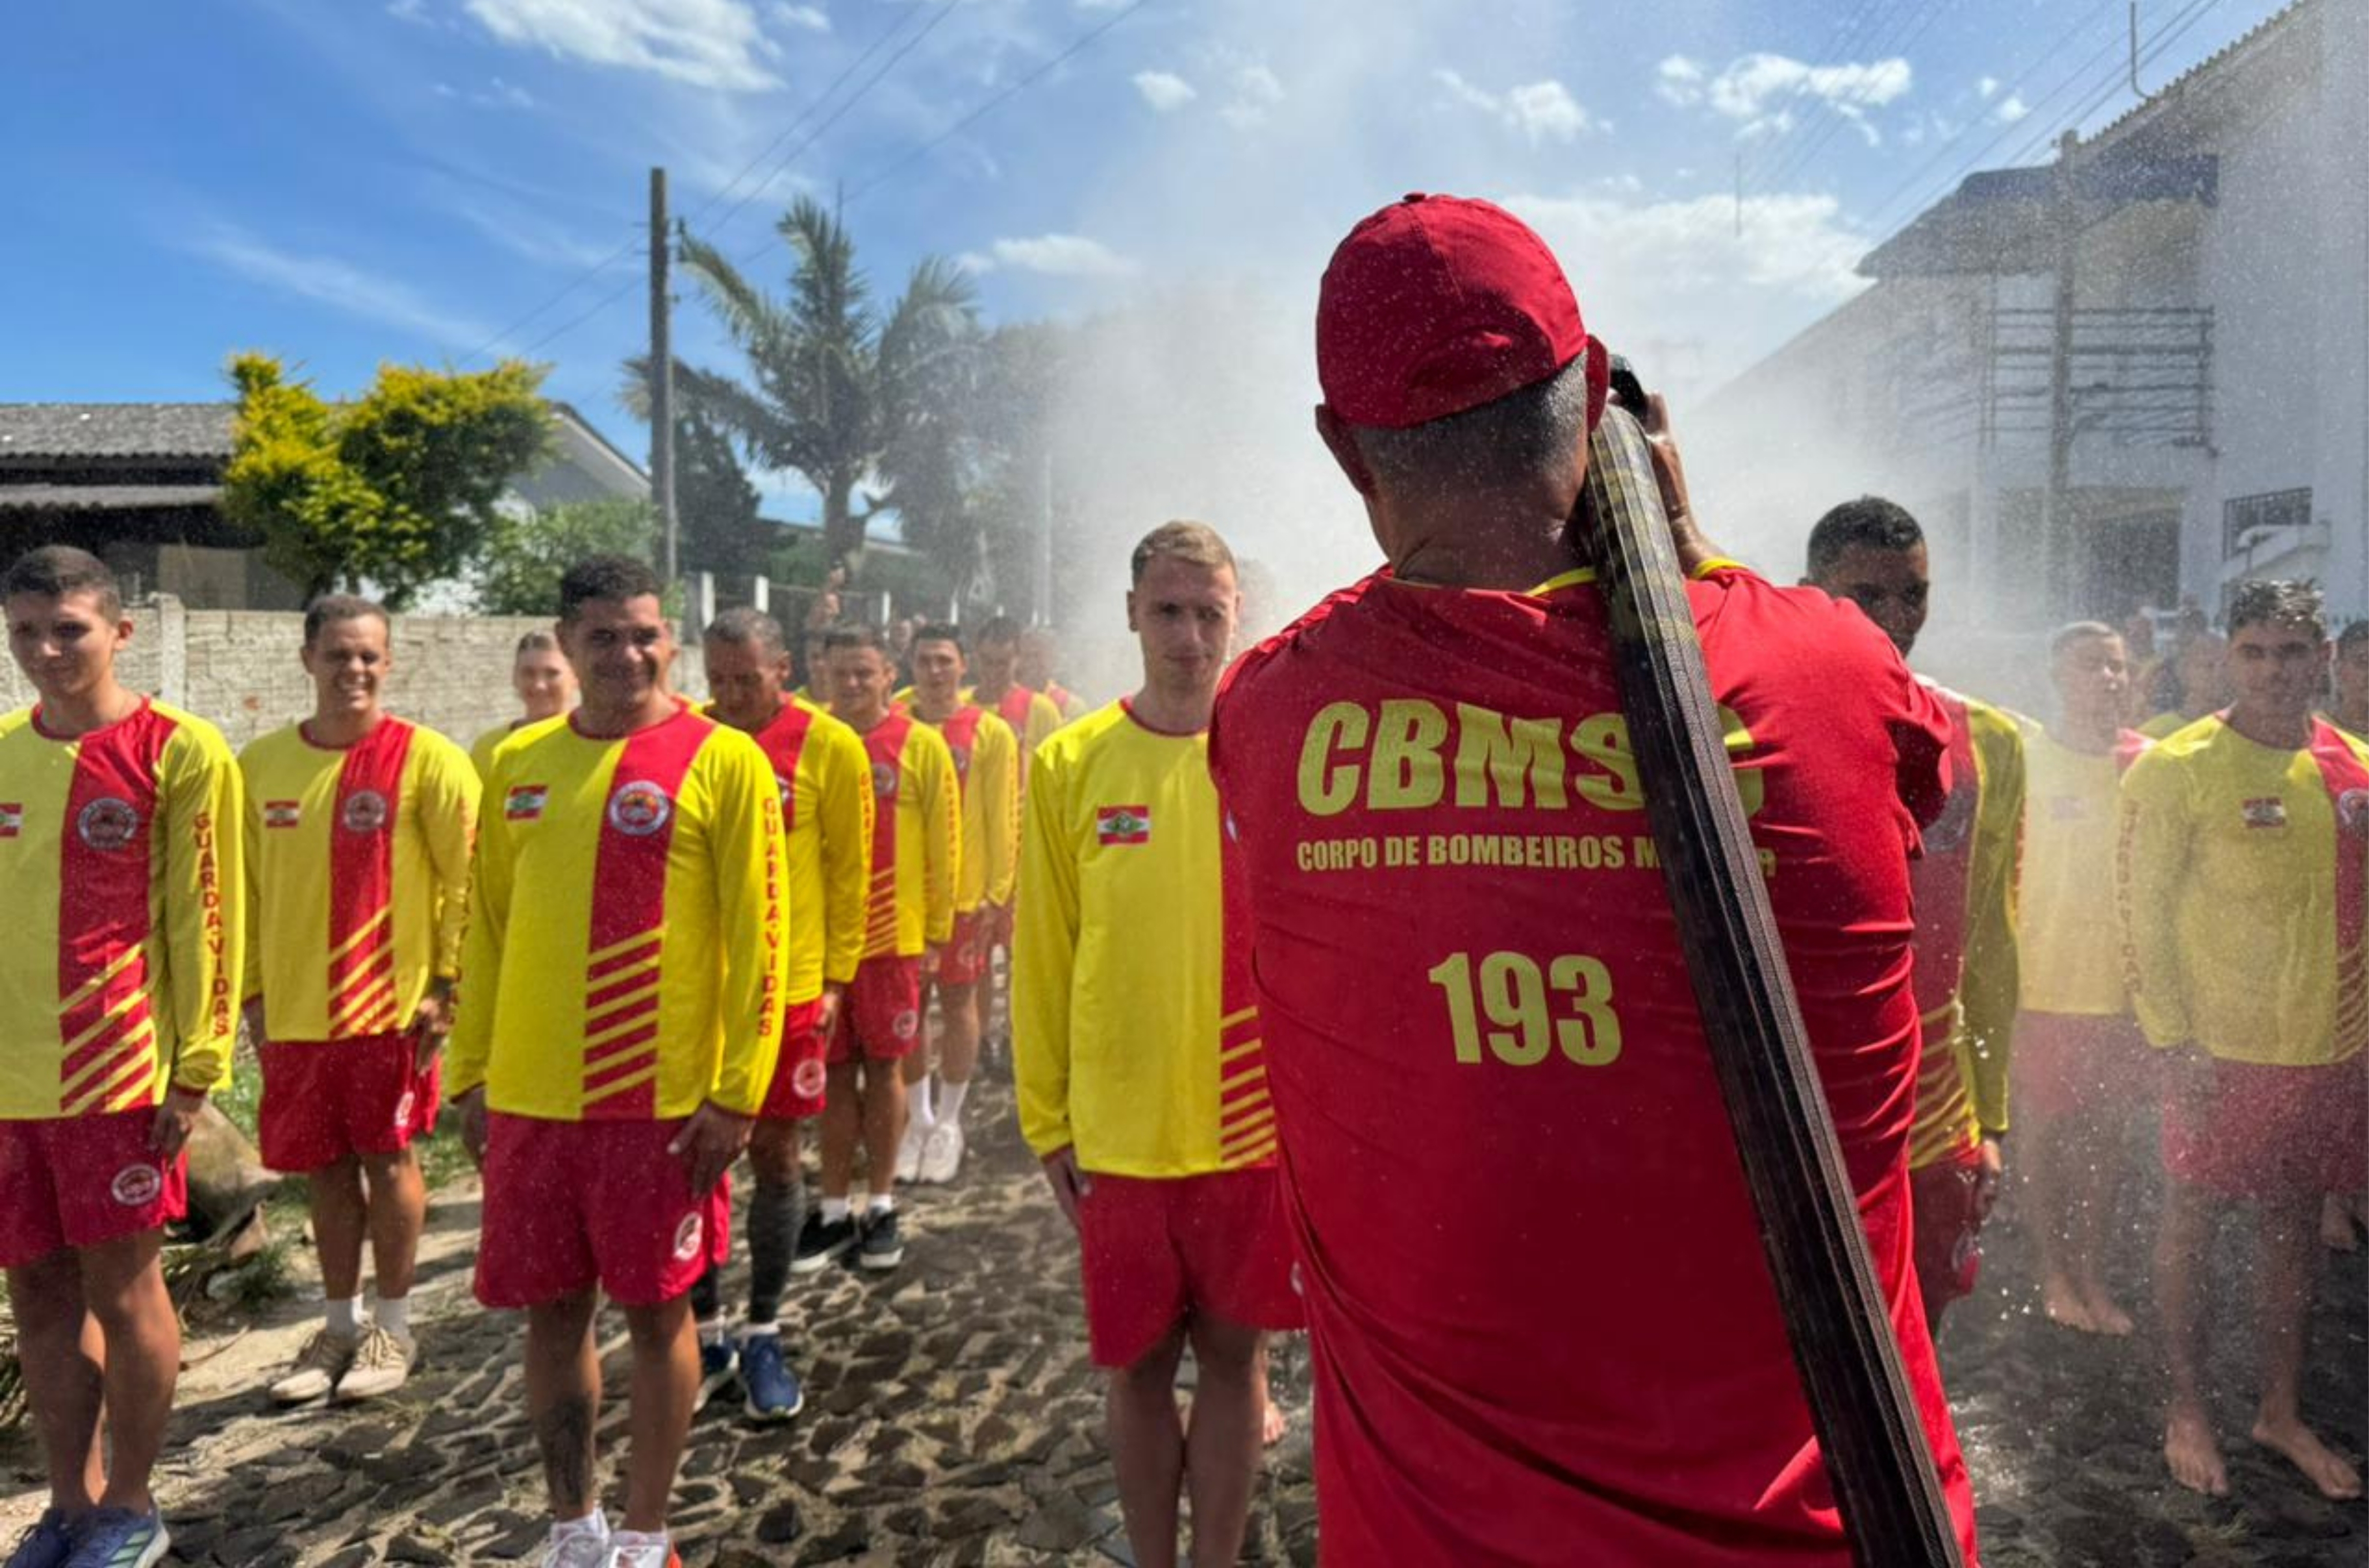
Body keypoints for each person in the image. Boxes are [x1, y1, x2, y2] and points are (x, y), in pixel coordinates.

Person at [1206, 193, 1978, 1563]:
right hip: (1839, 1528)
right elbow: (1932, 782)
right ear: (1597, 388)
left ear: (1343, 452)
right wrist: (1692, 555)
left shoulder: (1271, 715)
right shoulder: (1843, 673)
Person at [449, 555, 788, 1568]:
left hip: (661, 1106)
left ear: (668, 639)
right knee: (552, 1317)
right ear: (564, 646)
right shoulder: (515, 766)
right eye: (603, 636)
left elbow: (761, 939)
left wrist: (735, 1092)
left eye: (644, 633)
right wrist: (472, 1075)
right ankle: (574, 1526)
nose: (627, 653)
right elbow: (489, 933)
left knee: (655, 1315)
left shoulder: (721, 759)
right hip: (534, 1102)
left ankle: (645, 1531)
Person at [1014, 521, 1301, 1568]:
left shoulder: (1271, 754)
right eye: (1168, 610)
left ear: (1237, 615)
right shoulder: (1068, 763)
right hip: (1120, 1135)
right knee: (1134, 1368)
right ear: (1131, 612)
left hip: (1247, 1124)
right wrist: (1045, 1118)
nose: (1188, 633)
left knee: (1233, 1361)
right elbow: (1043, 951)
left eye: (1208, 611)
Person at [0, 545, 245, 1568]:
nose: (48, 651)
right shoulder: (4, 750)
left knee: (127, 1292)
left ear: (119, 632)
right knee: (41, 1302)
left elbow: (212, 916)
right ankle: (70, 1501)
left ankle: (134, 1506)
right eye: (25, 632)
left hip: (117, 1079)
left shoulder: (180, 751)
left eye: (70, 630)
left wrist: (197, 1070)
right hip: (10, 1088)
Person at [2119, 578, 2367, 1502]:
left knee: (2293, 1226)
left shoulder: (2356, 771)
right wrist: (2173, 1040)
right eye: (2255, 651)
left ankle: (2279, 1409)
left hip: (2327, 1051)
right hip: (2214, 1053)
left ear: (2323, 659)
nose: (2273, 670)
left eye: (2292, 652)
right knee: (2189, 1220)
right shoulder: (2178, 766)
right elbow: (2138, 917)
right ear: (2229, 655)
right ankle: (2185, 1404)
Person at [240, 596, 479, 1408]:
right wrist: (251, 995)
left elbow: (467, 884)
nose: (355, 670)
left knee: (391, 1159)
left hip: (392, 1011)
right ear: (307, 658)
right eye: (339, 654)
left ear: (390, 661)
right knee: (326, 1171)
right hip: (297, 1015)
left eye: (370, 656)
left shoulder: (430, 760)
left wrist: (447, 984)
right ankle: (338, 1325)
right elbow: (237, 894)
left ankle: (395, 1323)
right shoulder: (260, 767)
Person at [1802, 497, 2023, 1336]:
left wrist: (1993, 1115)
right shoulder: (1749, 721)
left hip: (1937, 1106)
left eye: (1915, 595)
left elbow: (1992, 942)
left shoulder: (1990, 738)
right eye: (1868, 598)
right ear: (1809, 592)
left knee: (1923, 1328)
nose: (1898, 619)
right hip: (1810, 1093)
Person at [688, 608, 872, 1420]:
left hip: (788, 991)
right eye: (718, 680)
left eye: (746, 680)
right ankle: (702, 1330)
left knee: (775, 1155)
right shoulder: (688, 739)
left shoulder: (829, 746)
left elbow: (848, 871)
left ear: (784, 667)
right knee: (690, 1161)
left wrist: (835, 978)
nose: (730, 696)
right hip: (692, 994)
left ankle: (764, 1328)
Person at [792, 624, 955, 1275]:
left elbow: (945, 847)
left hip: (892, 940)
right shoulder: (807, 741)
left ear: (890, 674)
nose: (854, 684)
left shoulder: (920, 745)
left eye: (866, 672)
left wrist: (938, 933)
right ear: (822, 673)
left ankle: (881, 1203)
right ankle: (833, 1206)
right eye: (842, 673)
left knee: (886, 1068)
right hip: (820, 942)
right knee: (831, 1074)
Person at [2012, 624, 2154, 1334]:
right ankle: (2052, 1270)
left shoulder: (2150, 766)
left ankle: (2092, 1271)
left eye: (2118, 666)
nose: (2108, 679)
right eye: (2091, 665)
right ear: (2056, 676)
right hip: (2043, 988)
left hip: (2127, 994)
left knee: (2107, 1135)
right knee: (2043, 1132)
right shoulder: (2025, 759)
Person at [898, 625, 1017, 1187]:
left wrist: (998, 890)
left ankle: (949, 1119)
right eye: (924, 660)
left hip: (965, 897)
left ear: (962, 664)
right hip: (899, 896)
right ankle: (915, 1119)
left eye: (944, 660)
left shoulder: (988, 732)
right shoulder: (894, 718)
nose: (935, 670)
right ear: (910, 664)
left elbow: (1002, 815)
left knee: (959, 1000)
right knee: (909, 1008)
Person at [470, 631, 577, 779]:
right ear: (515, 678)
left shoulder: (592, 743)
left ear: (577, 676)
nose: (539, 685)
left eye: (552, 673)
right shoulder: (489, 747)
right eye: (529, 673)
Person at [2139, 630, 2229, 738]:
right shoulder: (2156, 732)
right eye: (2208, 666)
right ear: (2186, 671)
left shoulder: (2243, 730)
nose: (2219, 674)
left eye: (2225, 666)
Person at [1017, 625, 1088, 723]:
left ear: (1054, 659)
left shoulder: (1071, 707)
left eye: (1037, 655)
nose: (1031, 662)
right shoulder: (1001, 700)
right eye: (1026, 655)